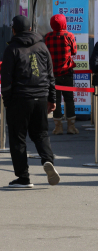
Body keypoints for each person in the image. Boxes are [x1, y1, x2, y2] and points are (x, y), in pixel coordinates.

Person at [2, 15, 61, 188]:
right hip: (41, 97)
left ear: (13, 30)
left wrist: (7, 101)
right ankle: (47, 161)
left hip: (20, 98)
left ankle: (23, 177)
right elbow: (50, 75)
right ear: (30, 29)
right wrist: (52, 99)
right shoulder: (42, 46)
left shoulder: (12, 49)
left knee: (18, 138)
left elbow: (6, 79)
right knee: (40, 133)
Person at [44, 13, 80, 135]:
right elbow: (74, 51)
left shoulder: (47, 37)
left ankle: (58, 127)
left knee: (55, 100)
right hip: (67, 72)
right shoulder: (69, 35)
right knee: (69, 99)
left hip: (52, 74)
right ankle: (71, 127)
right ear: (64, 23)